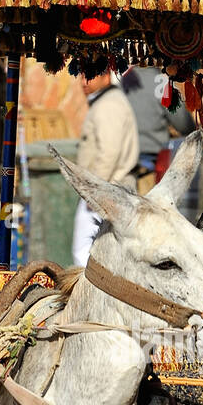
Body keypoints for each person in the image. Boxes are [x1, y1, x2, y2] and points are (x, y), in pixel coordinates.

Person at [71, 68, 138, 266]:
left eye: (89, 75)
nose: (84, 81)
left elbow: (108, 153)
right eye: (82, 75)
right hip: (107, 192)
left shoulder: (108, 105)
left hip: (105, 193)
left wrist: (94, 190)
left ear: (106, 76)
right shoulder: (107, 102)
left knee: (85, 257)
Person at [119, 66, 195, 195]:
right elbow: (183, 124)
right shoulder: (161, 83)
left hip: (122, 161)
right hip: (150, 162)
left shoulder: (124, 80)